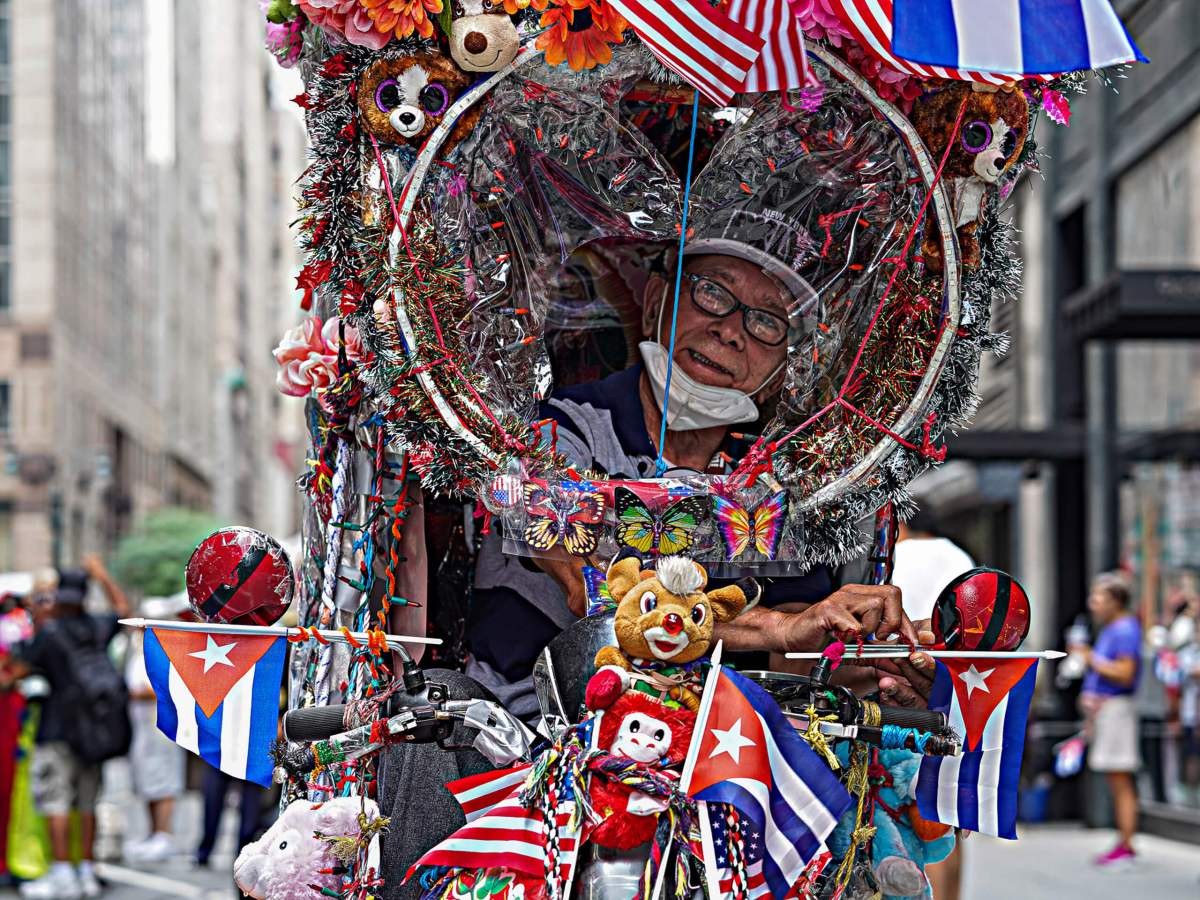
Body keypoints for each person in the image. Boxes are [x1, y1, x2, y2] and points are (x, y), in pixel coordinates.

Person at [377, 212, 934, 898]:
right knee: (433, 730)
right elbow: (600, 596)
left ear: (786, 360)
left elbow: (805, 636)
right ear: (654, 301)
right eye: (712, 294)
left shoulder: (783, 480)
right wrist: (779, 627)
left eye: (767, 322)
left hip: (712, 773)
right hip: (522, 749)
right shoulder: (559, 436)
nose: (731, 330)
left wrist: (871, 661)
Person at [16, 555, 132, 899]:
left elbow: (17, 670)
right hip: (94, 732)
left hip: (56, 730)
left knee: (56, 804)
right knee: (87, 804)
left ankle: (62, 872)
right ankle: (86, 871)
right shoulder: (97, 627)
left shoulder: (49, 634)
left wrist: (38, 616)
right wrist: (101, 574)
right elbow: (124, 608)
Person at [890, 505, 973, 900]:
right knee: (949, 815)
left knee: (906, 808)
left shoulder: (897, 554)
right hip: (957, 692)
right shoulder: (958, 556)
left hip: (898, 689)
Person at [1072, 572, 1142, 867]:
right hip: (1105, 712)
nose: (1093, 603)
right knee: (1115, 778)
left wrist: (1090, 659)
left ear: (1115, 600)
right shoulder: (1114, 628)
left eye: (1098, 597)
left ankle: (1126, 844)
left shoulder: (1125, 629)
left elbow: (1125, 673)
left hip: (1115, 711)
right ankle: (1122, 841)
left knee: (1120, 778)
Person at [123, 608, 186, 864]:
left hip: (160, 722)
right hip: (139, 725)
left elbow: (169, 685)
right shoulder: (137, 647)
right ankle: (152, 833)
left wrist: (137, 694)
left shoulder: (169, 647)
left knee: (164, 778)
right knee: (146, 779)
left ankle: (164, 833)